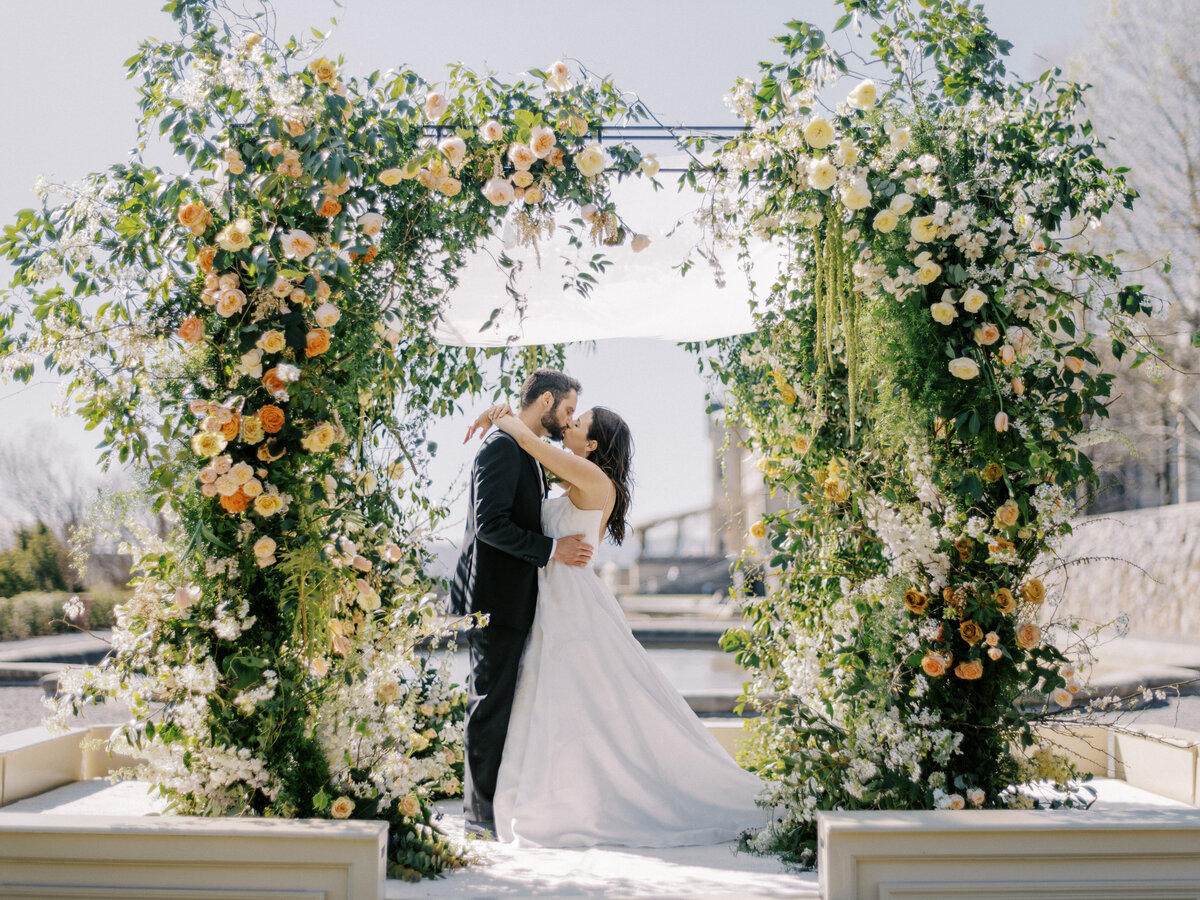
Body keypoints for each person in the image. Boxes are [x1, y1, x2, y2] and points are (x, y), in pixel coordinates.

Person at [464, 400, 767, 848]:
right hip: (551, 604)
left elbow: (527, 440)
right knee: (558, 706)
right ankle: (552, 801)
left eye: (578, 420)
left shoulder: (593, 479)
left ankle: (577, 805)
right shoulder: (572, 481)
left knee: (590, 707)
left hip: (573, 607)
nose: (568, 422)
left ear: (591, 443)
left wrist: (496, 414)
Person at [449, 369, 595, 838]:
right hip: (493, 600)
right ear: (547, 400)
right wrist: (553, 550)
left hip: (514, 600)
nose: (568, 420)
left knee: (504, 704)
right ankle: (477, 819)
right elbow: (490, 525)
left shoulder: (525, 450)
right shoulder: (502, 447)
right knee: (488, 704)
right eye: (568, 410)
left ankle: (492, 812)